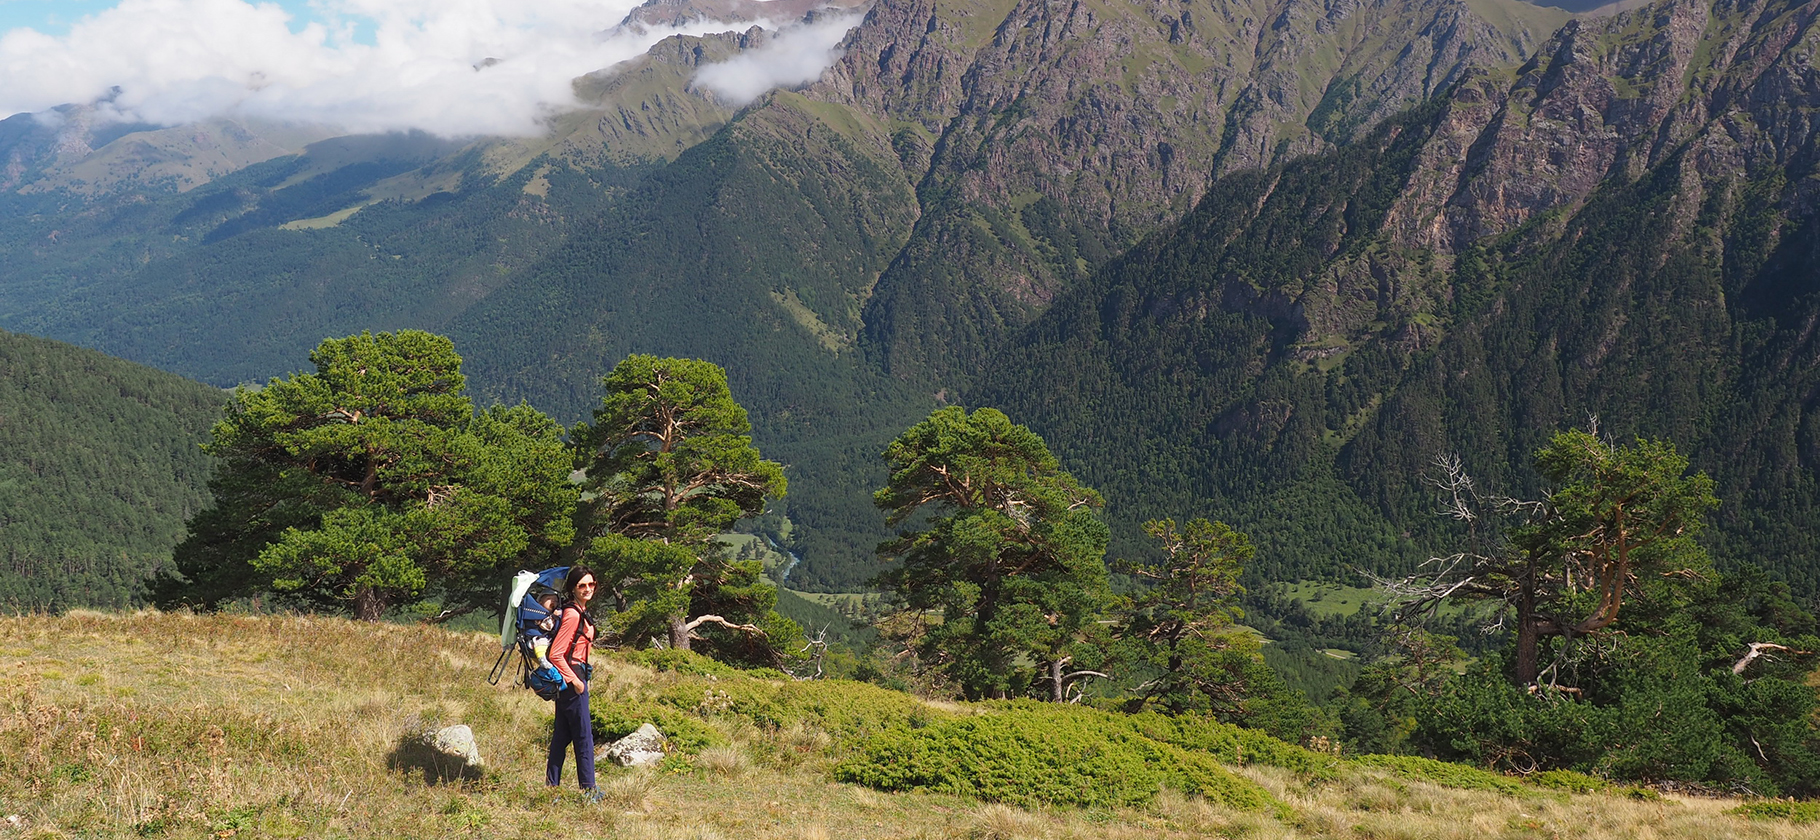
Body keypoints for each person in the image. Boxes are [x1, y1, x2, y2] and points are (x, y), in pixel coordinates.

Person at [546, 565, 600, 796]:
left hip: (573, 676)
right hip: (572, 677)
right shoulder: (573, 614)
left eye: (591, 584)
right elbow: (555, 654)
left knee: (562, 735)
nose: (588, 589)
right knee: (583, 736)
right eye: (582, 585)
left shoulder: (578, 610)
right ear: (573, 589)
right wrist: (576, 682)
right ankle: (589, 790)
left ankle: (551, 787)